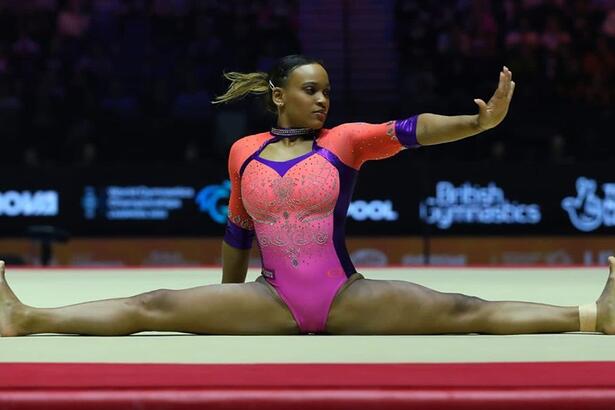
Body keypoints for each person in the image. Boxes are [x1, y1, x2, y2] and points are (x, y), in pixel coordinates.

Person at [0, 55, 613, 337]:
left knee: (463, 311)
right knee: (152, 306)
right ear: (279, 97)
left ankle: (592, 317)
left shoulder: (344, 141)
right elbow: (237, 232)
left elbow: (413, 127)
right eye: (311, 91)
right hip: (269, 303)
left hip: (346, 297)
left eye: (327, 91)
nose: (323, 101)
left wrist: (479, 124)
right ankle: (25, 319)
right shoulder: (244, 152)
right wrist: (224, 306)